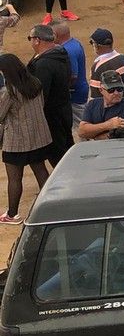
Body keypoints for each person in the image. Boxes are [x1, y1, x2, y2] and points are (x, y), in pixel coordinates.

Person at [0, 53, 52, 223]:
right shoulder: (35, 83)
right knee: (41, 171)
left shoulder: (10, 92)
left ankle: (12, 214)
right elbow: (42, 104)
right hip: (39, 137)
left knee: (15, 178)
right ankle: (50, 205)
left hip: (17, 141)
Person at [27, 24, 73, 164]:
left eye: (30, 38)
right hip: (63, 109)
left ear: (37, 40)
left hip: (51, 116)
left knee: (58, 156)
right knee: (66, 149)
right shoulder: (60, 54)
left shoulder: (44, 64)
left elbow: (41, 94)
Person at [78, 70, 124, 139]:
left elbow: (115, 137)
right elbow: (82, 132)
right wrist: (108, 125)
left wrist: (93, 135)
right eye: (111, 90)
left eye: (119, 89)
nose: (116, 93)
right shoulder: (92, 104)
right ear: (101, 90)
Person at [52, 21, 88, 131]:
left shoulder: (67, 50)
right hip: (80, 90)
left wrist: (61, 91)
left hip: (75, 95)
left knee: (82, 128)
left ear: (55, 34)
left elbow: (73, 76)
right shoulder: (74, 42)